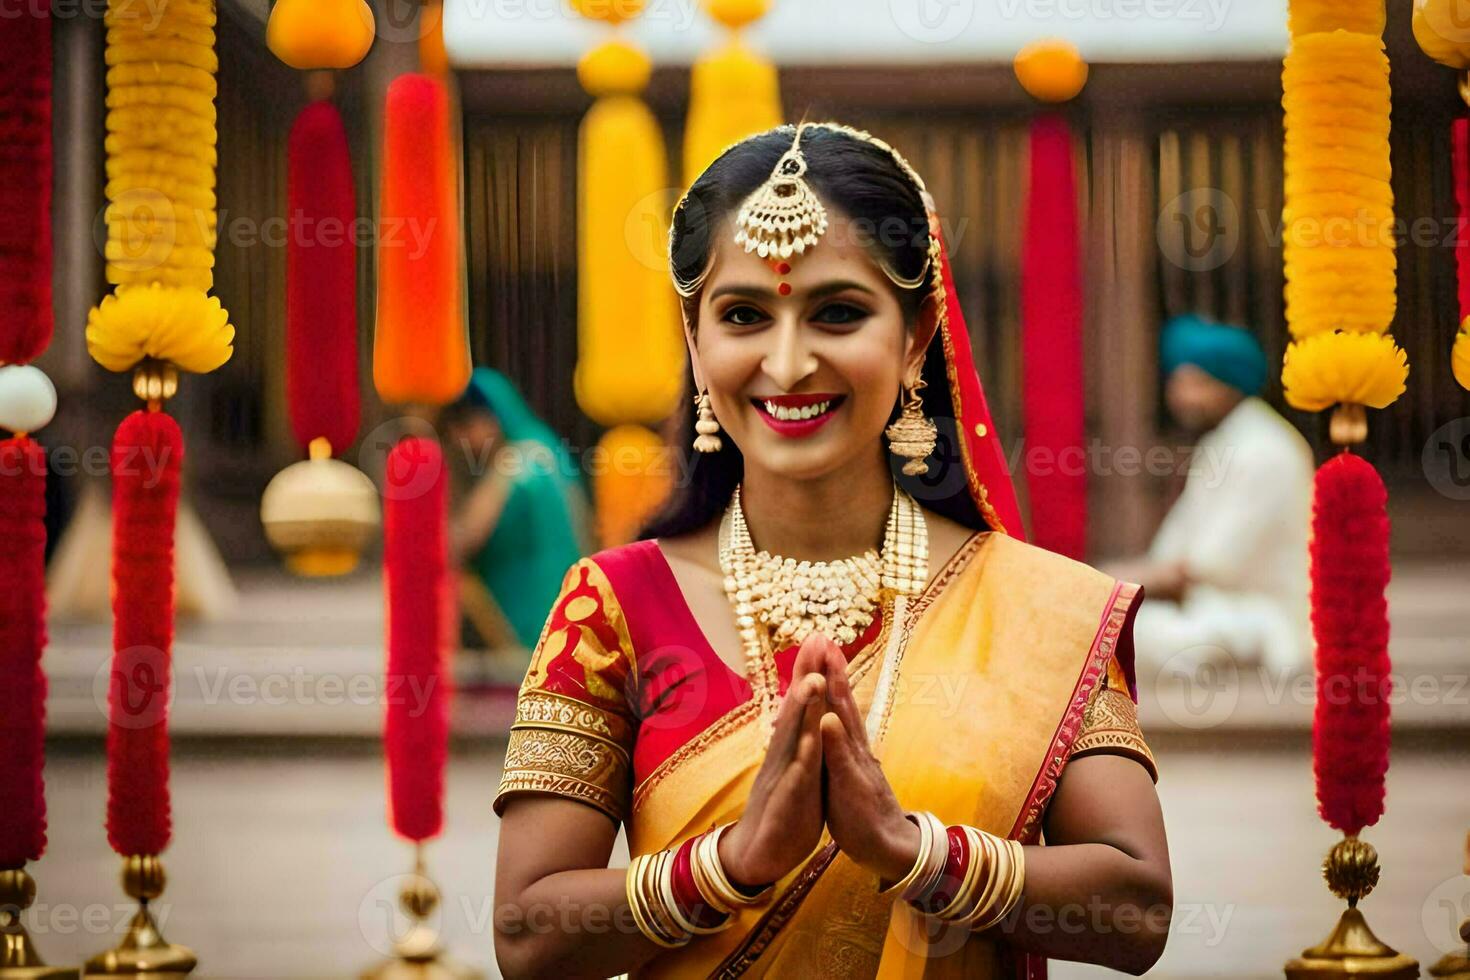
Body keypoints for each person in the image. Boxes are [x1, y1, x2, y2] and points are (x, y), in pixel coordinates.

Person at [492, 124, 1171, 978]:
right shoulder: (612, 605)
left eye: (838, 313)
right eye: (743, 315)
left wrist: (908, 848)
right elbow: (524, 931)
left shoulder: (1039, 607)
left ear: (917, 333)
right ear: (695, 341)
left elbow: (1138, 909)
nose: (787, 362)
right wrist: (732, 866)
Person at [1116, 314, 1314, 678]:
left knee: (1118, 633)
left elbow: (1208, 565)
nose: (1178, 396)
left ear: (1230, 384)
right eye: (1176, 382)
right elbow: (1170, 555)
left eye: (1195, 383)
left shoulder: (1264, 449)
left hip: (1264, 617)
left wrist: (1105, 585)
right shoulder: (1221, 443)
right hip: (1211, 608)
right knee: (1105, 627)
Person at [440, 367, 591, 652]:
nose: (459, 439)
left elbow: (458, 543)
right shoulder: (545, 450)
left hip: (532, 625)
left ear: (492, 418)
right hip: (569, 619)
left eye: (465, 425)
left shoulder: (517, 463)